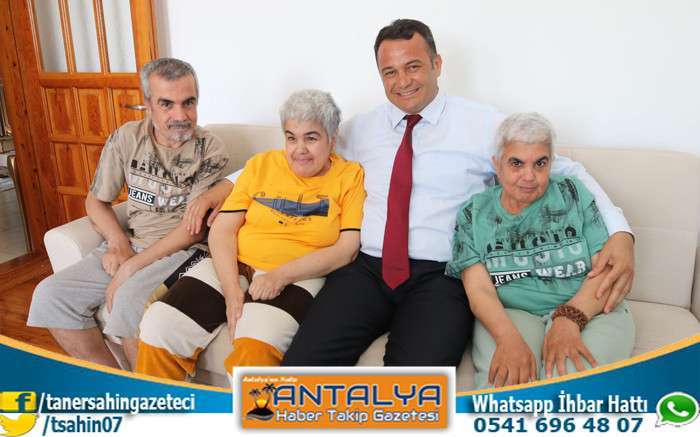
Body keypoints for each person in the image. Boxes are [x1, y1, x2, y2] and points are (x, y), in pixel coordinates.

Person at [281, 19, 635, 366]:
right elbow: (302, 155)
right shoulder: (361, 128)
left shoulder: (482, 124)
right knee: (299, 369)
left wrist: (621, 234)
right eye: (390, 72)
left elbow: (564, 169)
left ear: (437, 64)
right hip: (367, 271)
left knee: (418, 387)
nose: (402, 81)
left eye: (413, 66)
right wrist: (241, 193)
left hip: (443, 278)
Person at [135, 90, 365, 380]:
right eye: (291, 138)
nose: (299, 149)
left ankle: (245, 411)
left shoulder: (350, 176)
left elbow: (346, 249)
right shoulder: (261, 165)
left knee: (256, 351)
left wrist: (279, 276)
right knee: (159, 326)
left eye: (311, 138)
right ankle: (164, 408)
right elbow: (223, 229)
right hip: (234, 264)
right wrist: (232, 289)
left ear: (332, 138)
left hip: (299, 275)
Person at [27, 58, 228, 369]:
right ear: (147, 103)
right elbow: (96, 201)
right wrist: (118, 242)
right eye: (166, 104)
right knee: (50, 295)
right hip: (133, 243)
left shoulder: (210, 150)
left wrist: (132, 265)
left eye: (188, 102)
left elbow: (195, 230)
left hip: (184, 251)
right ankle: (116, 382)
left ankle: (145, 392)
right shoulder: (127, 138)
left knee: (129, 300)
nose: (180, 115)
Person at [446, 113, 635, 388]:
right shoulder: (473, 213)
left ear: (551, 163)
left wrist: (568, 319)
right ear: (497, 164)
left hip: (590, 306)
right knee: (505, 387)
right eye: (516, 163)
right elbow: (479, 291)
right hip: (513, 313)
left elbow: (605, 270)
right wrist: (507, 339)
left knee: (571, 388)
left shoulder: (572, 194)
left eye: (540, 163)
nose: (529, 176)